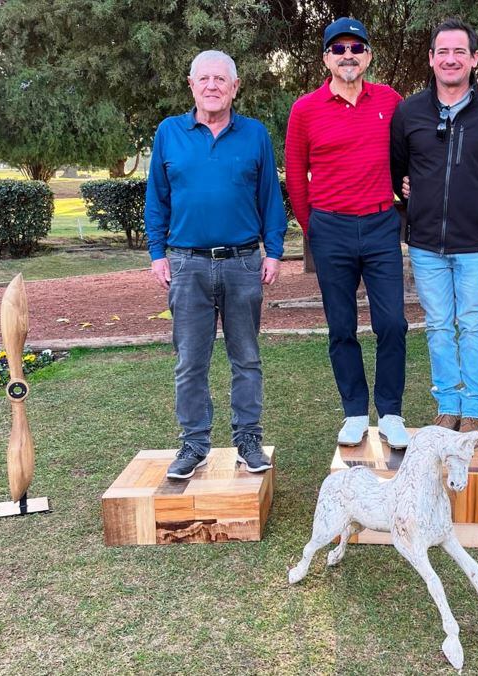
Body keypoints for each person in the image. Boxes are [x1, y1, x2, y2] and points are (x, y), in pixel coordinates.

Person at [145, 50, 287, 479]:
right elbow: (157, 198)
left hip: (243, 263)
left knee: (246, 357)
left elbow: (270, 199)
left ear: (235, 87)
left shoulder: (254, 134)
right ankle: (194, 444)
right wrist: (156, 253)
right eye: (204, 79)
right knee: (190, 361)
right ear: (191, 85)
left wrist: (274, 251)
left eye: (220, 79)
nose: (212, 86)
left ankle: (248, 440)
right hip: (186, 265)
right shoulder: (169, 133)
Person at [284, 17, 410, 449]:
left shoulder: (390, 100)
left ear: (368, 56)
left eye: (356, 48)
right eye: (338, 49)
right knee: (341, 327)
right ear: (327, 58)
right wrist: (312, 225)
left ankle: (391, 411)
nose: (348, 55)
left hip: (379, 225)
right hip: (331, 227)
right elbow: (297, 174)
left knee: (392, 323)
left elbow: (424, 130)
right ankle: (355, 411)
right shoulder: (306, 109)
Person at [391, 18, 478, 444]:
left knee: (474, 323)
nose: (450, 59)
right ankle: (447, 404)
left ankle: (474, 409)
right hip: (425, 243)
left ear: (474, 59)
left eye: (459, 52)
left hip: (474, 244)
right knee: (440, 325)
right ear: (431, 58)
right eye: (442, 52)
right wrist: (413, 198)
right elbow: (399, 171)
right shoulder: (409, 111)